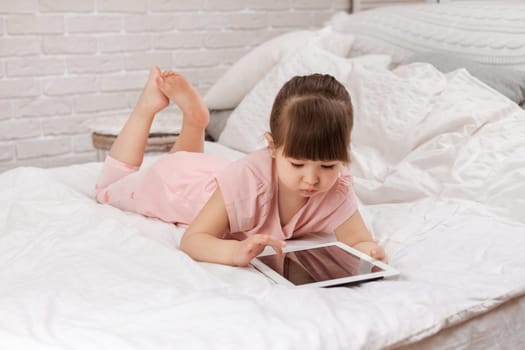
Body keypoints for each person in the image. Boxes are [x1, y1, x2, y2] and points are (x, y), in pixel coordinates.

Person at [95, 65, 387, 267]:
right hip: (176, 187)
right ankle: (147, 106)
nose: (312, 179)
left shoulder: (338, 184)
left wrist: (368, 251)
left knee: (186, 160)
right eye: (297, 163)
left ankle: (194, 122)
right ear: (272, 146)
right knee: (106, 189)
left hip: (210, 174)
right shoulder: (248, 179)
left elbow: (357, 239)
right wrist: (235, 251)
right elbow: (193, 240)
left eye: (327, 165)